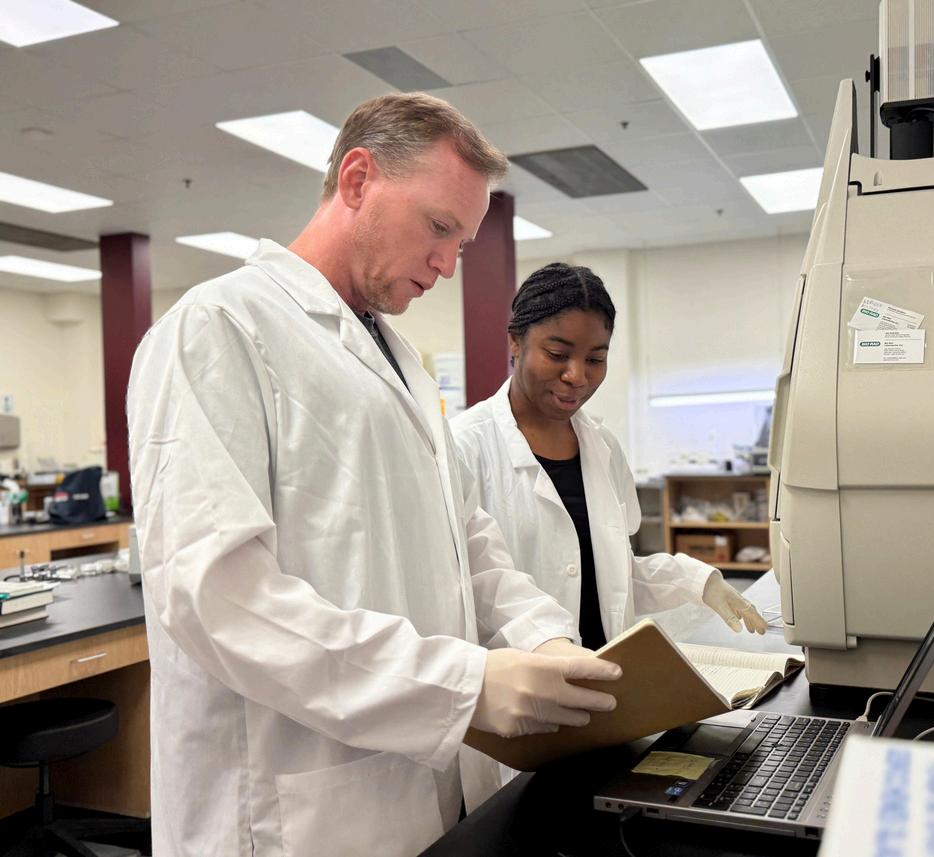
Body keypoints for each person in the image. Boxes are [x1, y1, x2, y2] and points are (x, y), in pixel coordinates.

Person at [127, 94, 621, 857]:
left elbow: (466, 542)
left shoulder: (401, 364)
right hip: (285, 808)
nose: (447, 264)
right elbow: (217, 594)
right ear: (358, 180)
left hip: (410, 786)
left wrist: (544, 638)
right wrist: (463, 684)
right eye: (439, 227)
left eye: (461, 242)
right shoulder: (218, 328)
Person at [450, 263, 768, 802]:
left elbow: (607, 573)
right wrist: (547, 641)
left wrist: (698, 581)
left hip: (607, 711)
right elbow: (474, 585)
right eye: (557, 353)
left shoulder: (601, 446)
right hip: (520, 720)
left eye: (595, 359)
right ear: (515, 342)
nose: (577, 375)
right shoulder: (463, 446)